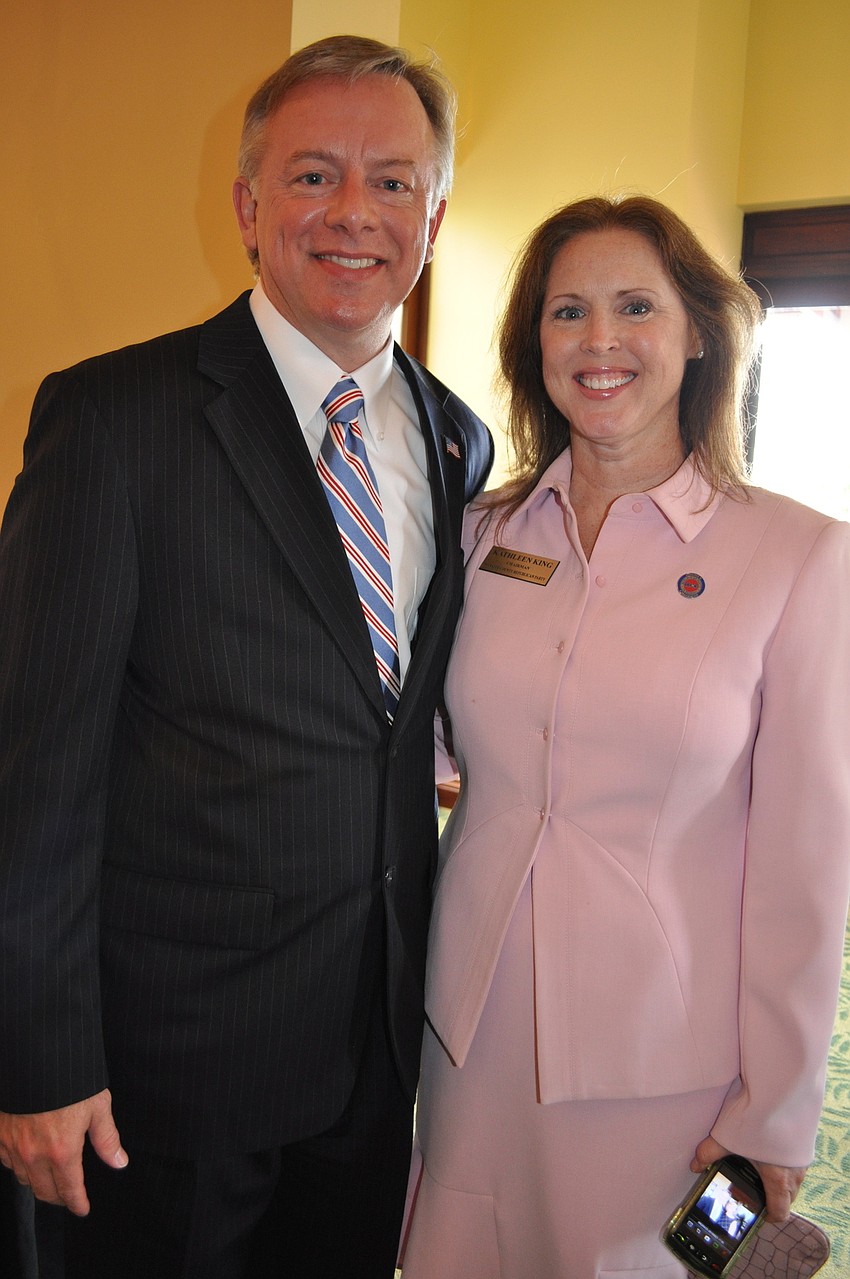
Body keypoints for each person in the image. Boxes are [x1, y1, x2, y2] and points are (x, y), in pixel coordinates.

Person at [0, 34, 492, 1279]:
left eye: (392, 182)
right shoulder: (115, 420)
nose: (352, 213)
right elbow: (33, 771)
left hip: (378, 1053)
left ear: (434, 215)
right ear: (247, 204)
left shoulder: (456, 443)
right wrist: (37, 1058)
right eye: (312, 173)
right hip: (168, 1074)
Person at [399, 195, 850, 1276]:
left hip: (669, 1059)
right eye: (567, 312)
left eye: (634, 306)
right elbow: (426, 743)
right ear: (533, 345)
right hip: (469, 1031)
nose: (599, 341)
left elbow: (806, 862)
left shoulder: (797, 557)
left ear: (697, 332)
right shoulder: (478, 534)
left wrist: (775, 1112)